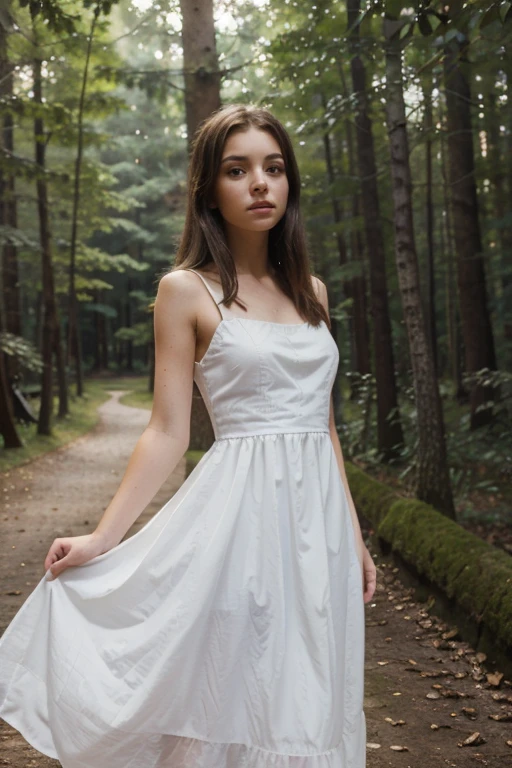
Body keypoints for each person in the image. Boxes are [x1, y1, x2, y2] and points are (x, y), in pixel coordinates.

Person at [0, 104, 376, 767]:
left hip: (319, 533)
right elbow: (167, 431)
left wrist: (353, 535)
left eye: (274, 168)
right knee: (227, 689)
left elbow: (322, 425)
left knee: (313, 691)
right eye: (238, 170)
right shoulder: (185, 290)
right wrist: (102, 538)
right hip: (238, 523)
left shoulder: (312, 291)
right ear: (209, 188)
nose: (260, 183)